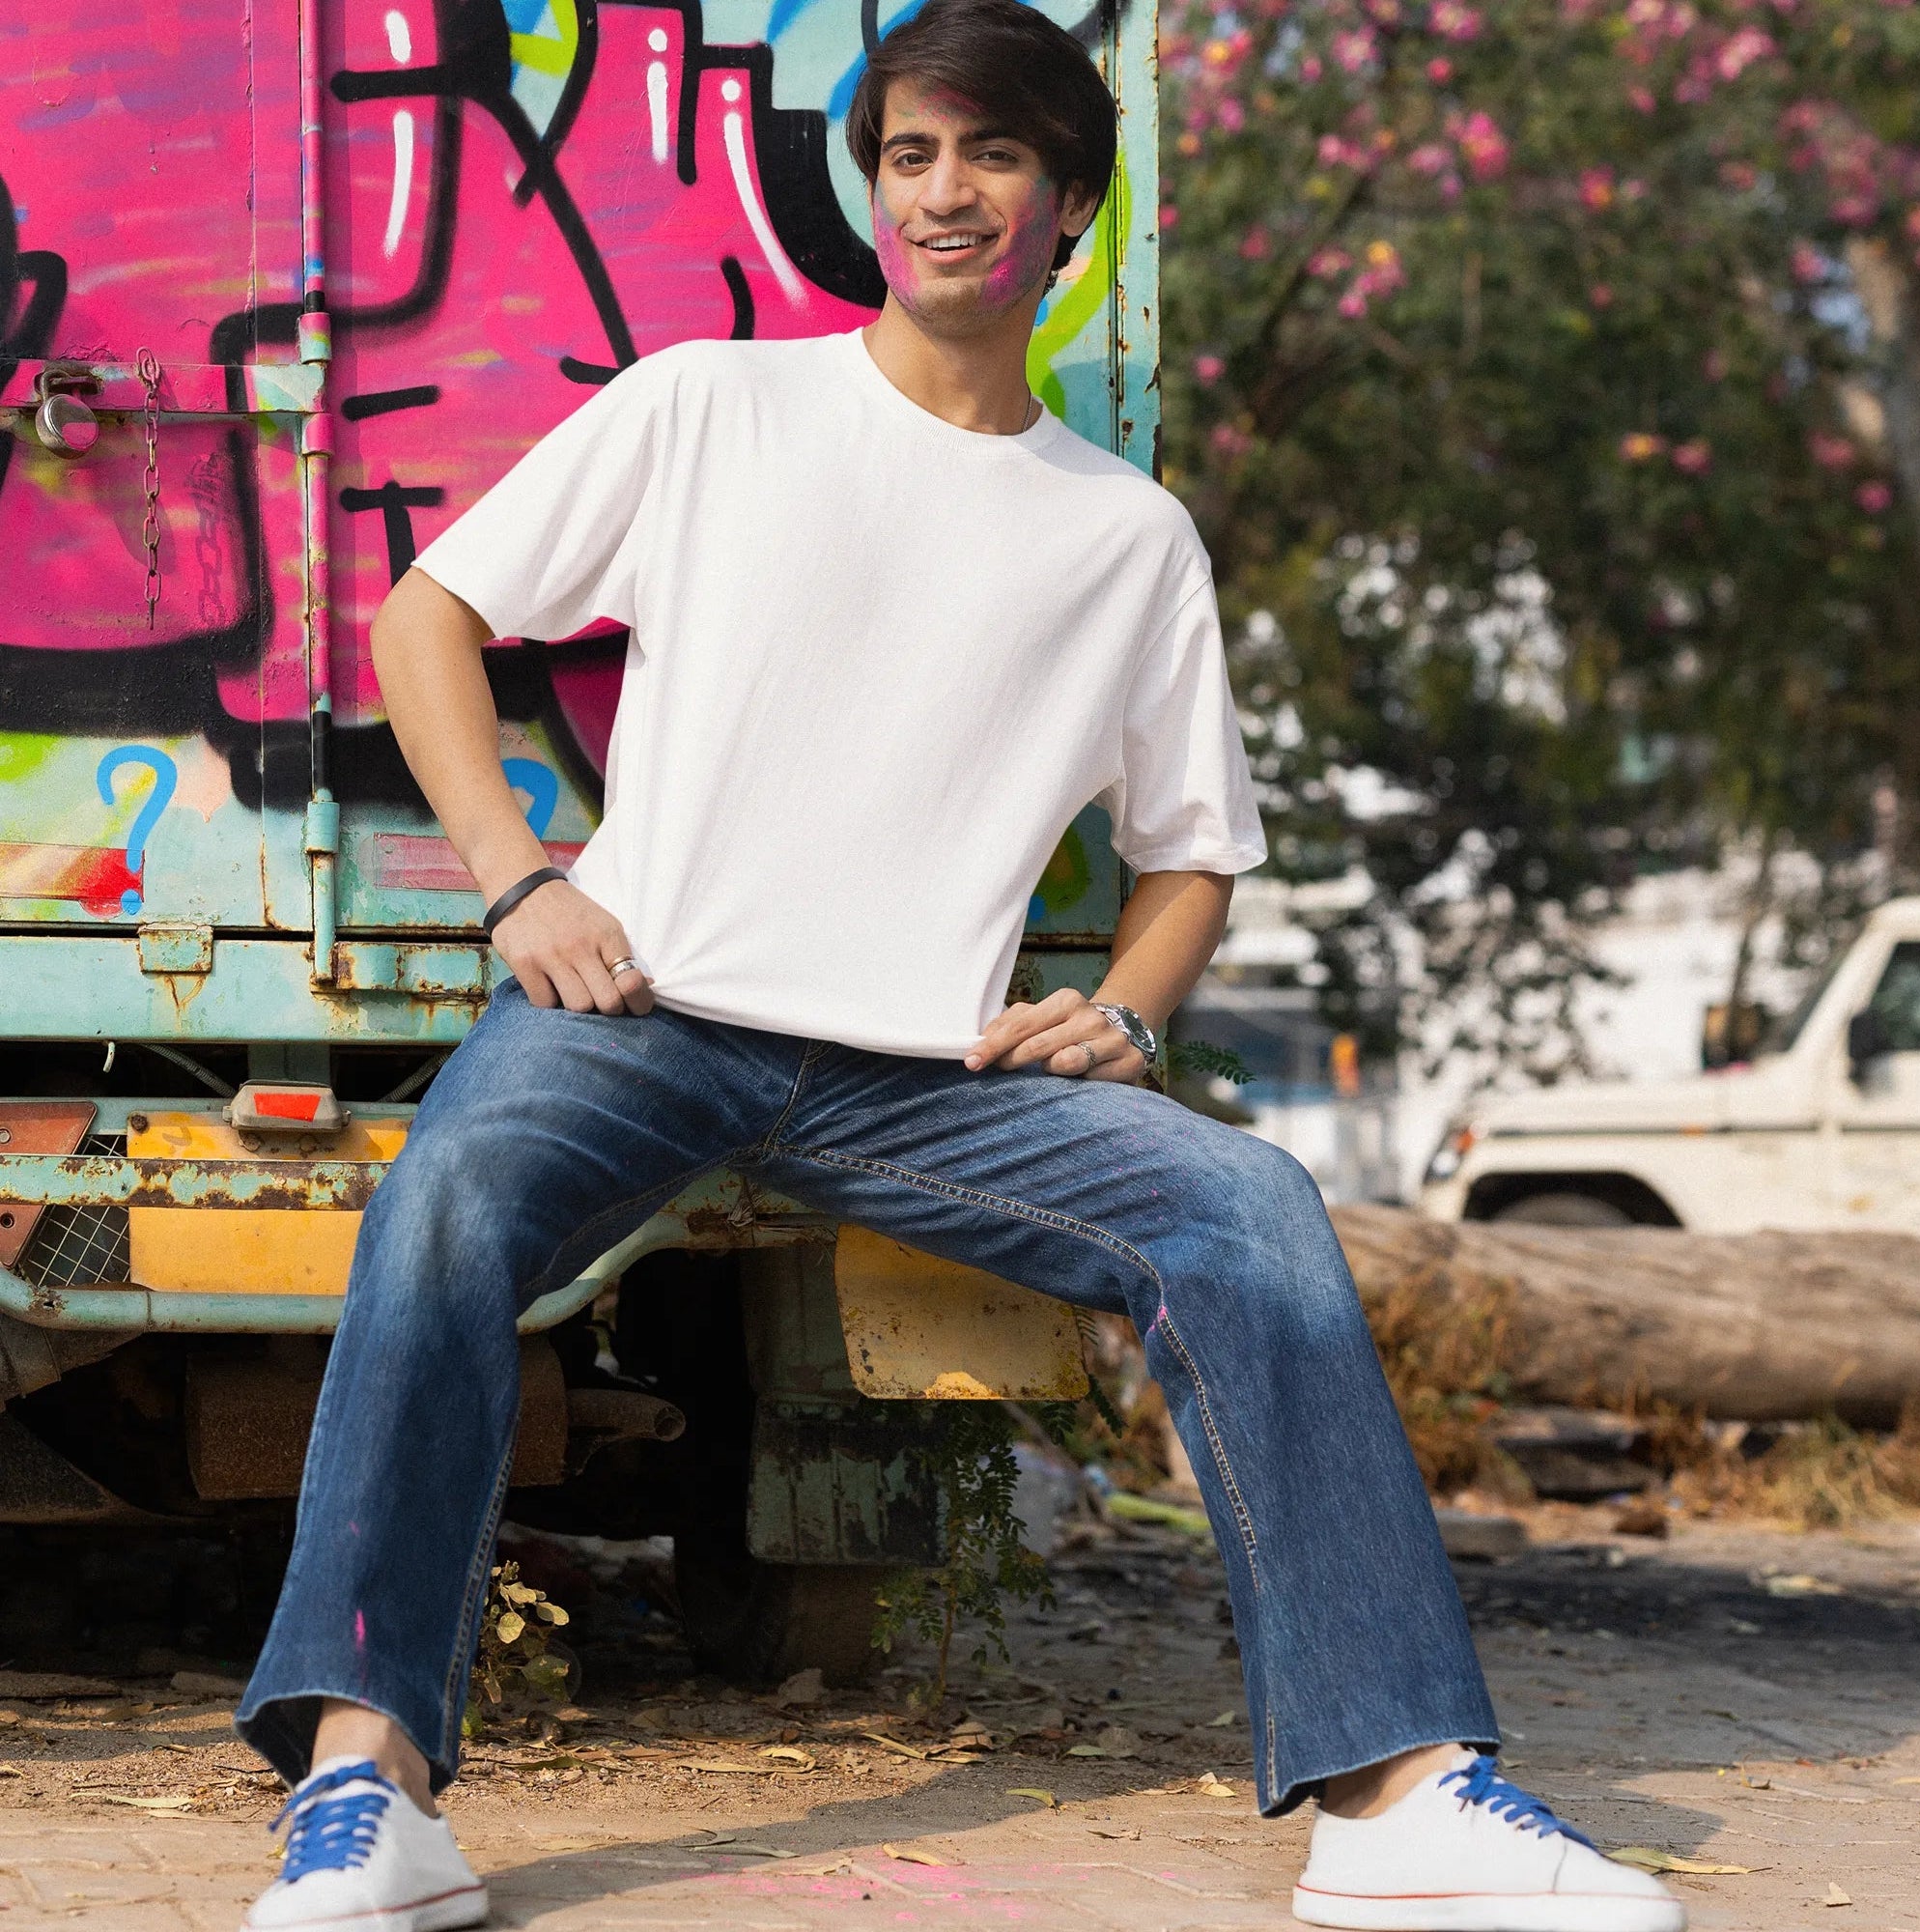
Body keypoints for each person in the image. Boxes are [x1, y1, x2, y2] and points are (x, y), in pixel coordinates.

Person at [235, 4, 1686, 1927]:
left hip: (931, 1075)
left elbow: (1194, 857)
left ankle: (1402, 1791)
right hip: (642, 1014)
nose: (943, 192)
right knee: (441, 1206)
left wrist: (1135, 1007)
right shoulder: (709, 408)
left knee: (1249, 1207)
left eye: (989, 156)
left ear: (1065, 203)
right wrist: (517, 880)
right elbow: (432, 614)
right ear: (869, 188)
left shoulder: (1125, 536)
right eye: (909, 155)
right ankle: (369, 1785)